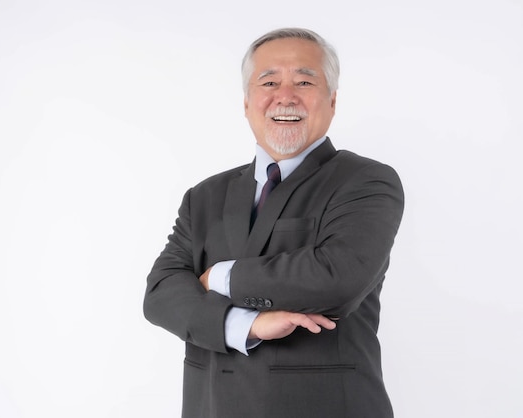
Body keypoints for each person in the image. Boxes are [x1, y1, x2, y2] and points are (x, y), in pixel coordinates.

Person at [143, 27, 404, 418]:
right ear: (247, 102)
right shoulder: (205, 196)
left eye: (304, 80)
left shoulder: (365, 182)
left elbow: (338, 277)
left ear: (332, 100)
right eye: (269, 81)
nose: (286, 95)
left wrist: (217, 277)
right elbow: (161, 293)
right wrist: (246, 325)